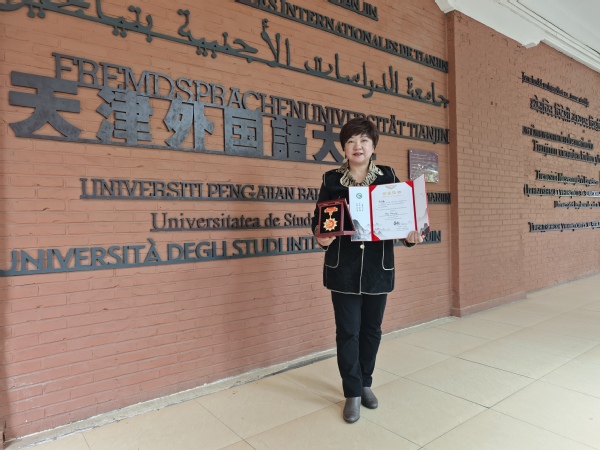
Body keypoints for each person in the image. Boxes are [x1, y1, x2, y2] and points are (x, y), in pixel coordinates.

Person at [312, 117, 423, 423]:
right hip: (343, 270)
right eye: (350, 141)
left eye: (363, 140)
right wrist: (322, 238)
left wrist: (410, 236)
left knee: (372, 330)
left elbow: (402, 218)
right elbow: (319, 223)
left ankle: (365, 383)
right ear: (343, 148)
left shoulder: (388, 177)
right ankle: (352, 392)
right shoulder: (331, 180)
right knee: (348, 331)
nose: (357, 146)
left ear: (373, 146)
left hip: (377, 269)